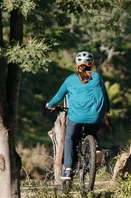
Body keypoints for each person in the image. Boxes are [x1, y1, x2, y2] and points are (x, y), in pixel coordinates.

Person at [46, 51, 111, 185]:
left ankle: (68, 170)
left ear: (77, 65)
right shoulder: (97, 78)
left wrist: (50, 105)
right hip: (97, 116)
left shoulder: (70, 79)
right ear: (91, 64)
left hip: (76, 117)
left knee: (69, 138)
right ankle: (95, 148)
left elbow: (58, 96)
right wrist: (107, 109)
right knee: (91, 132)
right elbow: (105, 96)